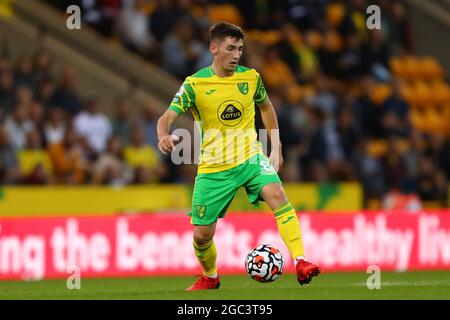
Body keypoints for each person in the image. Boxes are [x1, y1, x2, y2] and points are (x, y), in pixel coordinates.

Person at [156, 22, 320, 291]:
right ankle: (210, 276)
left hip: (250, 157)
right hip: (214, 168)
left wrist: (275, 147)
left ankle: (301, 261)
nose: (236, 55)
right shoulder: (195, 84)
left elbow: (266, 108)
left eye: (240, 49)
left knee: (277, 195)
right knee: (201, 236)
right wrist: (163, 134)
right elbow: (166, 118)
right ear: (214, 48)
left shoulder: (251, 78)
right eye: (230, 48)